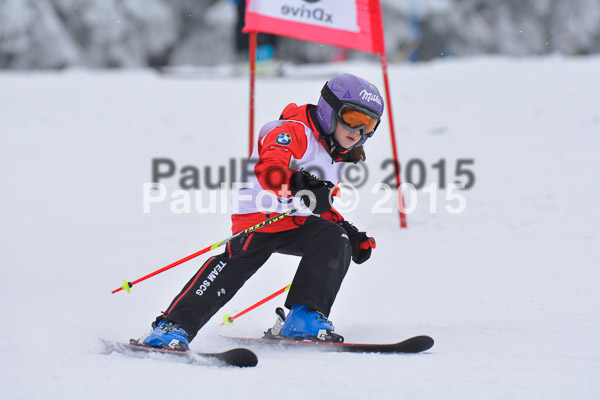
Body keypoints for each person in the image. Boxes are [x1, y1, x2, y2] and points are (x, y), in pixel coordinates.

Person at [139, 73, 384, 350]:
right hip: (260, 215)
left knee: (334, 238)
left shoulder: (337, 154)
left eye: (370, 124)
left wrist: (348, 232)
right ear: (329, 109)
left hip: (296, 221)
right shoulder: (292, 131)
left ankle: (303, 317)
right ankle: (172, 325)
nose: (359, 131)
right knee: (234, 268)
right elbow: (269, 169)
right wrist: (298, 182)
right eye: (353, 118)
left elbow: (318, 203)